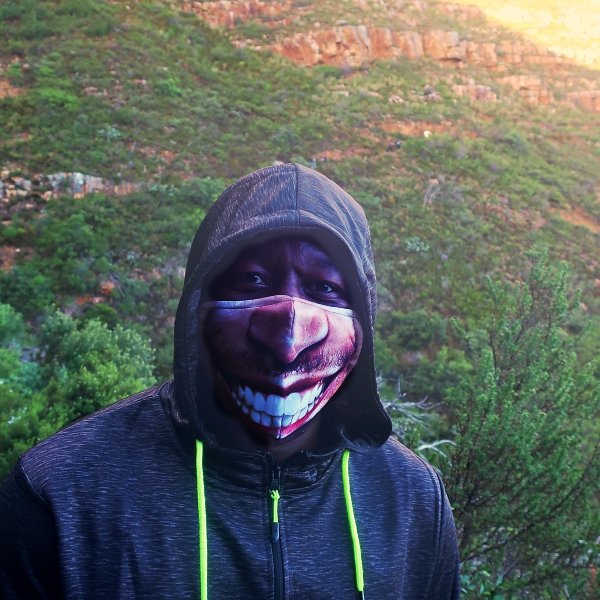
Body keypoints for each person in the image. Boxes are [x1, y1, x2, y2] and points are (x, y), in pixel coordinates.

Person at [0, 163, 460, 599]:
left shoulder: (415, 503)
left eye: (325, 289)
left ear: (364, 316)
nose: (287, 342)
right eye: (253, 281)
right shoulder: (60, 495)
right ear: (197, 303)